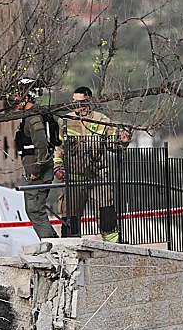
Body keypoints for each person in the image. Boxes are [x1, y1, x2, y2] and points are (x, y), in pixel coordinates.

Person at [53, 86, 130, 242]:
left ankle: (113, 249)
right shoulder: (65, 121)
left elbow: (112, 145)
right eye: (74, 103)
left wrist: (122, 142)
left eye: (81, 103)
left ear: (89, 102)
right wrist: (58, 167)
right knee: (70, 219)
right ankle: (72, 253)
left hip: (98, 177)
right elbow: (59, 148)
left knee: (107, 216)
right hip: (74, 179)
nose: (77, 107)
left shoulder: (102, 120)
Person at [10, 78, 58, 239]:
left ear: (26, 97)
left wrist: (36, 171)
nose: (14, 99)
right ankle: (53, 244)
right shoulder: (29, 116)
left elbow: (42, 146)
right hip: (33, 171)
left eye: (17, 95)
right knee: (35, 209)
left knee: (35, 210)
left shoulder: (34, 118)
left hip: (38, 173)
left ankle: (52, 247)